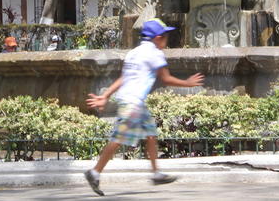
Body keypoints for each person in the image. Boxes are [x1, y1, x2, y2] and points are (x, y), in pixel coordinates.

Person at [84, 19, 204, 196]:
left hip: (133, 102)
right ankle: (94, 172)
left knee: (150, 133)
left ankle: (156, 174)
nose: (166, 40)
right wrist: (188, 83)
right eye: (165, 36)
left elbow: (123, 78)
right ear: (157, 38)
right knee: (118, 138)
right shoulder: (155, 53)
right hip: (133, 103)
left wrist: (105, 96)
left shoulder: (134, 53)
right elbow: (166, 78)